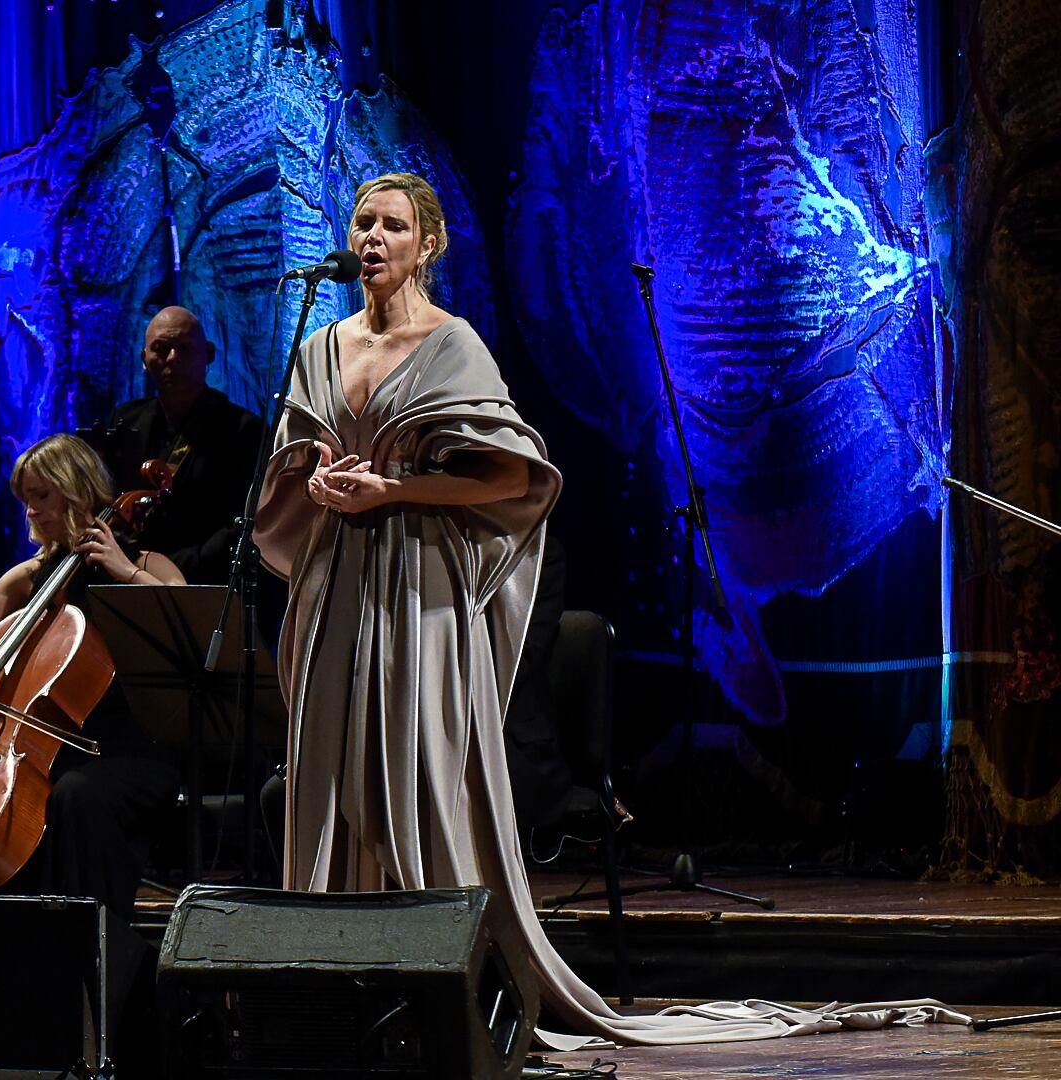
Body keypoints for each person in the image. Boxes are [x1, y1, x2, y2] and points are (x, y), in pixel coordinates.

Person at [253, 172, 959, 1047]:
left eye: (392, 225)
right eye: (363, 222)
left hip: (421, 590)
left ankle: (439, 986)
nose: (371, 238)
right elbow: (284, 473)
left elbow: (513, 477)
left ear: (427, 244)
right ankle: (327, 992)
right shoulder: (321, 344)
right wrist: (319, 478)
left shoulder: (454, 345)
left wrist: (394, 491)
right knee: (334, 779)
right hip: (337, 593)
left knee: (417, 780)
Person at [0, 433, 184, 920]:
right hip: (42, 749)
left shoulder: (148, 564)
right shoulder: (32, 575)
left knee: (77, 796)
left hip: (129, 750)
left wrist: (124, 572)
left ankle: (88, 940)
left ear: (77, 489)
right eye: (26, 500)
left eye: (43, 496)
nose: (32, 511)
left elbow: (185, 631)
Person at [100, 307, 265, 585]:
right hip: (128, 574)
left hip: (207, 580)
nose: (173, 358)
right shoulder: (126, 420)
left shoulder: (243, 428)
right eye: (161, 349)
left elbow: (245, 520)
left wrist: (175, 568)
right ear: (144, 359)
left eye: (185, 348)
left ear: (208, 354)